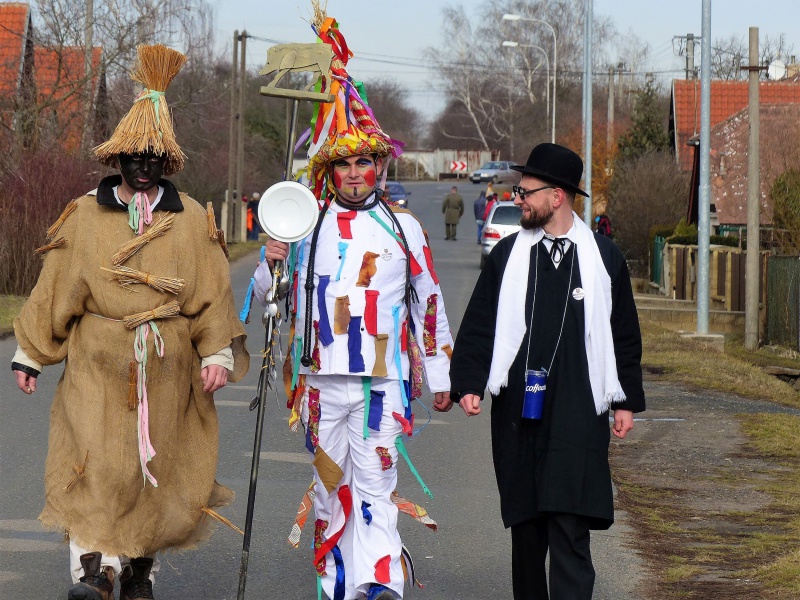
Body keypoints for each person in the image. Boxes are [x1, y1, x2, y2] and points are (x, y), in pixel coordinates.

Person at [11, 44, 249, 600]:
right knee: (93, 467)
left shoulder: (191, 219)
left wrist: (215, 354)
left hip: (166, 372)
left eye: (153, 159)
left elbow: (213, 293)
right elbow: (55, 290)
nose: (143, 167)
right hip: (95, 366)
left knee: (151, 471)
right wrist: (30, 355)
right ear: (117, 158)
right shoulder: (85, 216)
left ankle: (139, 569)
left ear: (166, 162)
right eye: (134, 157)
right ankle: (93, 575)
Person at [253, 13, 453, 600]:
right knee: (328, 485)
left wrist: (439, 373)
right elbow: (271, 299)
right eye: (343, 163)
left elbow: (429, 305)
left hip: (381, 383)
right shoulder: (305, 226)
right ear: (329, 170)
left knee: (375, 480)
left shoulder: (405, 229)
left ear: (380, 165)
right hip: (321, 380)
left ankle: (379, 581)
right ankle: (338, 582)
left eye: (365, 162)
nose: (356, 173)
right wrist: (270, 259)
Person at [447, 143, 645, 599]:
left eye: (525, 191)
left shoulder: (604, 258)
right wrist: (469, 384)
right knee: (528, 531)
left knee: (570, 527)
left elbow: (623, 336)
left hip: (579, 409)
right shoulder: (507, 257)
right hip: (519, 411)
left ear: (557, 196)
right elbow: (480, 325)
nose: (518, 199)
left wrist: (626, 402)